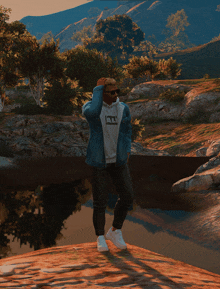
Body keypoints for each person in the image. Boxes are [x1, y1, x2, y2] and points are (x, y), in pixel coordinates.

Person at [82, 77, 135, 252]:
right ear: (101, 94)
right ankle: (100, 237)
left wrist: (126, 150)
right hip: (99, 162)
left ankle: (115, 230)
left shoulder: (123, 108)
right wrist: (97, 89)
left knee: (127, 196)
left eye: (117, 91)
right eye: (111, 92)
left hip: (118, 161)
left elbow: (127, 131)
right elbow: (93, 112)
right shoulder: (90, 108)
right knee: (100, 202)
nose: (115, 95)